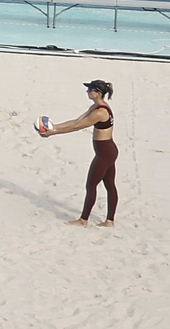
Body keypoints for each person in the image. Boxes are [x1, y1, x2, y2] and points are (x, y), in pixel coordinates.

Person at [37, 78, 120, 224]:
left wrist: (52, 133)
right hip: (108, 151)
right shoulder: (96, 106)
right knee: (109, 185)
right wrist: (53, 127)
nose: (87, 91)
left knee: (91, 185)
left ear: (97, 93)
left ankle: (83, 220)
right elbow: (76, 121)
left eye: (89, 89)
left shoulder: (100, 112)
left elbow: (77, 127)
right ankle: (109, 221)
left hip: (105, 153)